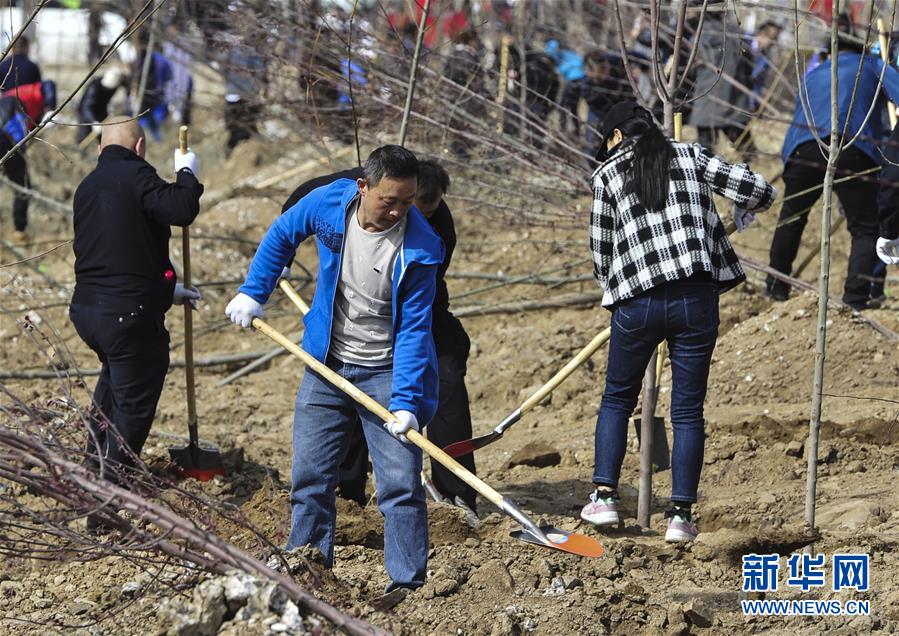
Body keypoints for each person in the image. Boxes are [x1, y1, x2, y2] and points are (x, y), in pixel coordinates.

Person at [225, 145, 443, 592]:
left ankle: (408, 585)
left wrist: (405, 400)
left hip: (385, 372)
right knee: (310, 477)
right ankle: (307, 571)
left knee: (400, 486)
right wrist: (254, 291)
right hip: (325, 364)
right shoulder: (332, 203)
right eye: (389, 200)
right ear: (363, 187)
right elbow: (285, 231)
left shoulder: (422, 247)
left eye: (407, 201)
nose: (399, 211)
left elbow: (415, 330)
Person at [581, 102, 775, 542]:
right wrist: (747, 208)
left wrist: (624, 283)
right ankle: (681, 517)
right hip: (696, 300)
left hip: (638, 304)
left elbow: (601, 254)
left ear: (614, 137)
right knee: (688, 410)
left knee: (616, 401)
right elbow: (760, 190)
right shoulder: (690, 156)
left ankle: (605, 498)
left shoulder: (607, 175)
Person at [280, 160, 478, 516]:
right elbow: (296, 207)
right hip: (352, 317)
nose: (401, 215)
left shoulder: (437, 230)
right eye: (398, 204)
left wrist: (406, 394)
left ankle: (456, 493)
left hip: (419, 311)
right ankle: (348, 490)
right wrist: (285, 257)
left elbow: (416, 303)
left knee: (445, 379)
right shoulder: (357, 186)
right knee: (349, 390)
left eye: (419, 208)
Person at [68, 116, 203, 531]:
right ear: (140, 148)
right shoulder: (137, 176)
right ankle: (107, 503)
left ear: (98, 148)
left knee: (112, 387)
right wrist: (187, 172)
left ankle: (90, 475)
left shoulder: (87, 187)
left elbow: (120, 246)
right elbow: (180, 209)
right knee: (133, 403)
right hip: (127, 315)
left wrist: (166, 290)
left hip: (90, 312)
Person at [765, 14, 899, 310]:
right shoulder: (872, 65)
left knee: (792, 216)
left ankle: (775, 286)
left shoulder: (814, 72)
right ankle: (856, 298)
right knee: (865, 226)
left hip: (801, 149)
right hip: (852, 147)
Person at [0, 95, 31, 243]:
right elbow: (20, 125)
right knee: (22, 187)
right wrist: (23, 147)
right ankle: (20, 231)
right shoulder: (12, 101)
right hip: (10, 148)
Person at [75, 67, 128, 144]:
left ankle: (103, 150)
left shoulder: (116, 80)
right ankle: (80, 151)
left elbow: (127, 84)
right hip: (86, 113)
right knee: (84, 134)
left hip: (102, 110)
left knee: (104, 135)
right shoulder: (94, 88)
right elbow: (87, 107)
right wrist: (93, 122)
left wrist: (129, 97)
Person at [0, 36, 44, 125]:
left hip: (6, 112)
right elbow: (39, 91)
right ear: (26, 48)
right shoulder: (32, 66)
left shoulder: (2, 66)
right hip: (28, 113)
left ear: (12, 48)